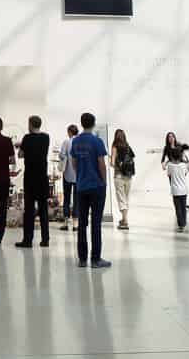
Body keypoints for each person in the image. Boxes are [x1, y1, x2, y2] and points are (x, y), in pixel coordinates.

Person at [68, 112, 109, 269]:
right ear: (93, 123)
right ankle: (96, 259)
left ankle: (82, 259)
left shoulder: (76, 142)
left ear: (81, 123)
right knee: (96, 223)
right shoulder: (97, 141)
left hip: (81, 187)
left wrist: (80, 176)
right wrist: (103, 182)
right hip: (96, 186)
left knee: (82, 224)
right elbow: (101, 164)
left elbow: (74, 162)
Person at [16, 115, 52, 249]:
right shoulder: (46, 137)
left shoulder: (26, 138)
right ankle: (45, 239)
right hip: (42, 177)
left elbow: (20, 155)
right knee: (43, 210)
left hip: (30, 178)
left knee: (29, 210)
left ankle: (28, 240)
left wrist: (21, 146)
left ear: (30, 124)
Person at [162, 133, 189, 233]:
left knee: (178, 207)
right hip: (184, 189)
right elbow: (188, 169)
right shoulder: (183, 165)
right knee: (183, 207)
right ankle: (184, 222)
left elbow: (169, 174)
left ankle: (181, 225)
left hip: (175, 190)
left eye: (172, 136)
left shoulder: (170, 165)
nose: (171, 138)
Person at [110, 129, 135, 230]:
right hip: (129, 176)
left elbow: (112, 163)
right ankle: (124, 219)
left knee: (121, 198)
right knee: (126, 198)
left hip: (119, 175)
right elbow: (132, 159)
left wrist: (110, 159)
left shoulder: (115, 146)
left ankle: (125, 221)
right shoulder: (127, 146)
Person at [57, 125, 78, 229]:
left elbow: (62, 155)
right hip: (78, 175)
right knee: (77, 198)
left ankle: (66, 222)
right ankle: (75, 223)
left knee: (67, 198)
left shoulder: (66, 142)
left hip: (67, 173)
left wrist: (61, 156)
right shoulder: (80, 142)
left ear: (70, 132)